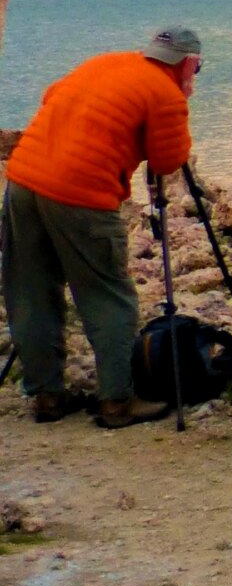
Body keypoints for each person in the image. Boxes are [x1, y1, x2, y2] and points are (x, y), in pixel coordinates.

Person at [2, 27, 200, 428]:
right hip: (82, 194)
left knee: (31, 290)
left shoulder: (104, 62)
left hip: (23, 180)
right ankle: (117, 400)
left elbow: (50, 96)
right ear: (188, 63)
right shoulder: (166, 94)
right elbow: (167, 161)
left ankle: (46, 394)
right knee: (108, 296)